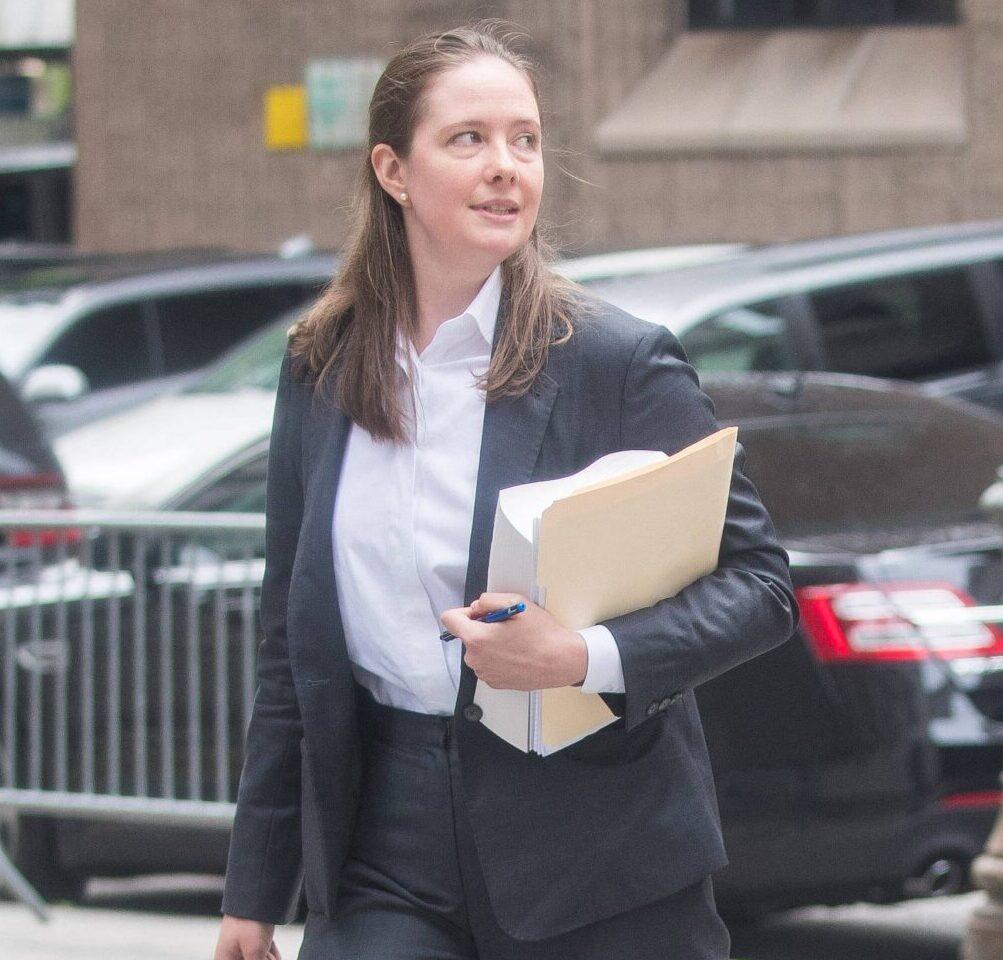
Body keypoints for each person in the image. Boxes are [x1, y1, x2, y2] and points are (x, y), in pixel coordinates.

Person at [213, 20, 799, 960]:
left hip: (594, 847)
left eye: (524, 139)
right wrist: (254, 889)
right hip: (381, 842)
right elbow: (291, 637)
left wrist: (579, 656)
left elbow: (760, 587)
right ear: (393, 171)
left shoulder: (613, 360)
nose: (505, 166)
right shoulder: (320, 364)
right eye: (467, 139)